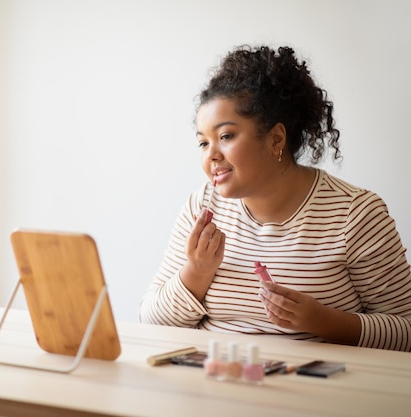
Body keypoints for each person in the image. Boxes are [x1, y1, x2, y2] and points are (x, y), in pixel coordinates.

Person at [138, 45, 411, 352]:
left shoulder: (355, 214)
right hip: (212, 382)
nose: (211, 156)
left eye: (226, 136)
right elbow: (152, 321)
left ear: (276, 139)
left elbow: (406, 330)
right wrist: (196, 273)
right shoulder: (202, 206)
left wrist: (322, 321)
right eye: (203, 143)